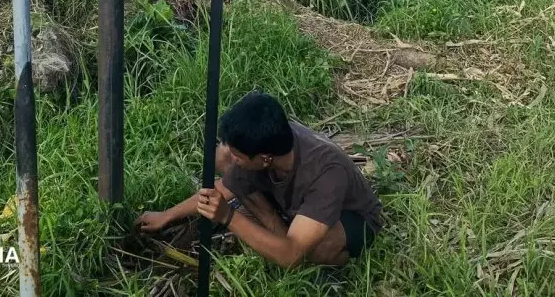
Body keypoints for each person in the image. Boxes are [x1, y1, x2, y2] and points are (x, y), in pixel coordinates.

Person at [135, 92, 382, 269]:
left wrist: (229, 217)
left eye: (239, 156)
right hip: (296, 207)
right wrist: (167, 215)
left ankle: (333, 261)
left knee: (311, 252)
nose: (233, 160)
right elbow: (223, 187)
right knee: (229, 165)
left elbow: (291, 256)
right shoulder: (269, 144)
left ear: (265, 159)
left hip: (350, 216)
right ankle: (279, 228)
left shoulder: (326, 173)